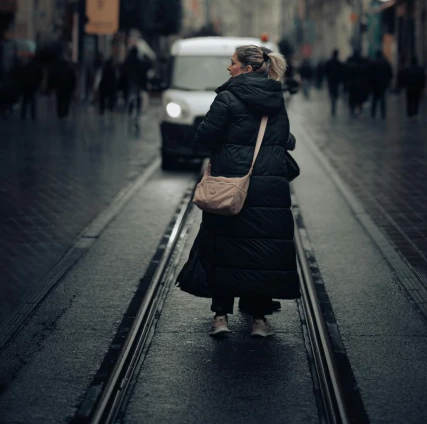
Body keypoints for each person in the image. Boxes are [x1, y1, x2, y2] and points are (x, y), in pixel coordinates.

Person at [177, 44, 300, 338]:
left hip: (230, 185)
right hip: (267, 189)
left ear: (245, 69)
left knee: (223, 249)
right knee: (258, 253)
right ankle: (258, 320)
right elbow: (285, 138)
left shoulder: (227, 97)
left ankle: (220, 318)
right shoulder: (275, 98)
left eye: (232, 63)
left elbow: (204, 138)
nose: (228, 67)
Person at [49, 52, 76, 119]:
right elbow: (73, 79)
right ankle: (65, 114)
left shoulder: (58, 68)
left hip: (60, 88)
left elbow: (54, 78)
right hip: (67, 89)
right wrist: (73, 88)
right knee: (66, 102)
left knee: (59, 102)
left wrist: (52, 86)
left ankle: (60, 114)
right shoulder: (70, 68)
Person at [397, 55, 426, 120]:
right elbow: (423, 78)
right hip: (417, 88)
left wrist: (402, 85)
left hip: (409, 87)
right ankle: (415, 113)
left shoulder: (407, 69)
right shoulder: (420, 69)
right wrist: (423, 87)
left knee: (409, 100)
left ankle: (409, 113)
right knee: (416, 100)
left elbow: (402, 76)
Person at [345, 50, 371, 116]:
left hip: (354, 84)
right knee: (358, 99)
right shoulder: (362, 62)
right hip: (358, 84)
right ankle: (357, 110)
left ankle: (354, 110)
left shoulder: (351, 62)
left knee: (354, 98)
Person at [123, 46, 147, 120]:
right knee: (137, 97)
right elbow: (143, 74)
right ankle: (137, 111)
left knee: (131, 96)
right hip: (136, 82)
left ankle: (131, 110)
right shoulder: (139, 61)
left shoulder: (128, 61)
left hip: (130, 82)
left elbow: (124, 72)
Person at [370, 50, 393, 119]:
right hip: (383, 84)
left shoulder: (373, 62)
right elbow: (390, 74)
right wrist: (387, 82)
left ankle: (373, 113)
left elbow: (370, 74)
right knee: (382, 99)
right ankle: (383, 113)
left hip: (375, 84)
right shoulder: (386, 63)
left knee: (374, 99)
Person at [324, 49, 343, 116]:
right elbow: (342, 73)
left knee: (332, 94)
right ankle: (333, 105)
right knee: (335, 94)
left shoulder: (329, 62)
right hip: (336, 82)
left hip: (331, 81)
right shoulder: (339, 63)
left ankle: (333, 105)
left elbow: (326, 71)